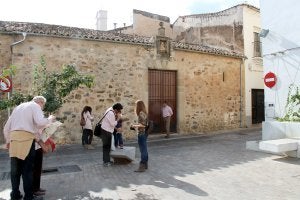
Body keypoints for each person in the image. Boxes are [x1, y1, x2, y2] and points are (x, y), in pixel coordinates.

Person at [3, 96, 55, 200]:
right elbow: (40, 122)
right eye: (43, 106)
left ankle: (15, 195)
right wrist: (49, 119)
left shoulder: (18, 107)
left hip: (14, 140)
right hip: (26, 140)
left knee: (15, 172)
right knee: (27, 171)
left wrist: (8, 141)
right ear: (40, 102)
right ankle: (29, 197)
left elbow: (6, 127)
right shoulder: (35, 106)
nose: (42, 108)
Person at [131, 100, 149, 172]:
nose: (135, 107)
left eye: (136, 105)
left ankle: (142, 165)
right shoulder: (144, 112)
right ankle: (145, 165)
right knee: (144, 149)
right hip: (144, 133)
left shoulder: (141, 113)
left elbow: (143, 125)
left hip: (141, 133)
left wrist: (134, 125)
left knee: (143, 150)